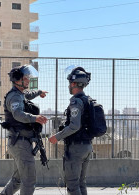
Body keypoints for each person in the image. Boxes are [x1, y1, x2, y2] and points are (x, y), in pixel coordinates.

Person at [0, 64, 48, 195]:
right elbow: (17, 114)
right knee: (29, 179)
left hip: (20, 142)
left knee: (18, 179)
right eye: (26, 78)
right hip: (20, 142)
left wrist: (39, 92)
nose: (28, 81)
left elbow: (28, 95)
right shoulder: (14, 96)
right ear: (17, 80)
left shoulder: (20, 94)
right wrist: (35, 118)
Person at [48, 66, 92, 195]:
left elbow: (74, 126)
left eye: (69, 84)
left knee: (72, 184)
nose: (69, 86)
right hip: (87, 146)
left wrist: (57, 136)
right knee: (81, 183)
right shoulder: (87, 100)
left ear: (73, 83)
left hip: (76, 148)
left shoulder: (76, 102)